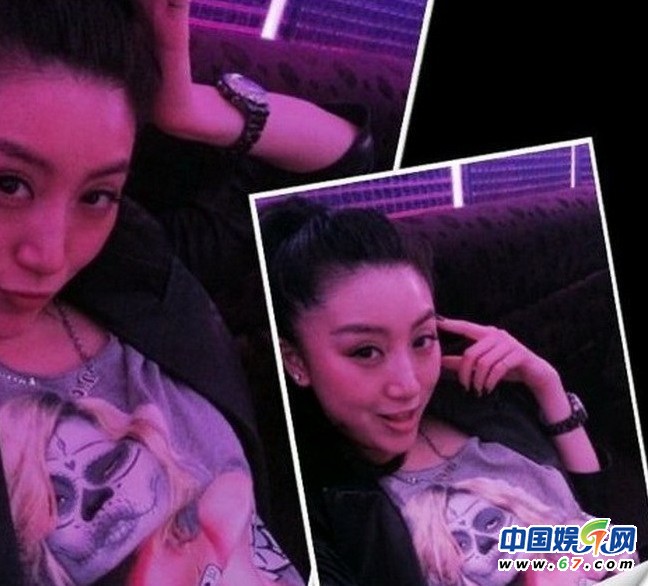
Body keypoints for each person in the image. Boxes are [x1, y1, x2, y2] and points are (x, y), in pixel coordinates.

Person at [0, 0, 372, 582]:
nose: (49, 256)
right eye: (9, 184)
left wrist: (188, 106)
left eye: (96, 196)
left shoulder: (135, 276)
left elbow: (346, 159)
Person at [259, 197, 617, 586]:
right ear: (295, 360)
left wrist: (547, 385)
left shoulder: (482, 400)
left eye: (421, 339)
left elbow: (603, 528)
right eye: (366, 352)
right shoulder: (321, 518)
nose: (409, 385)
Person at [0, 392, 286, 585]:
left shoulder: (222, 512)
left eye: (108, 466)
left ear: (146, 442)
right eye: (58, 500)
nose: (96, 500)